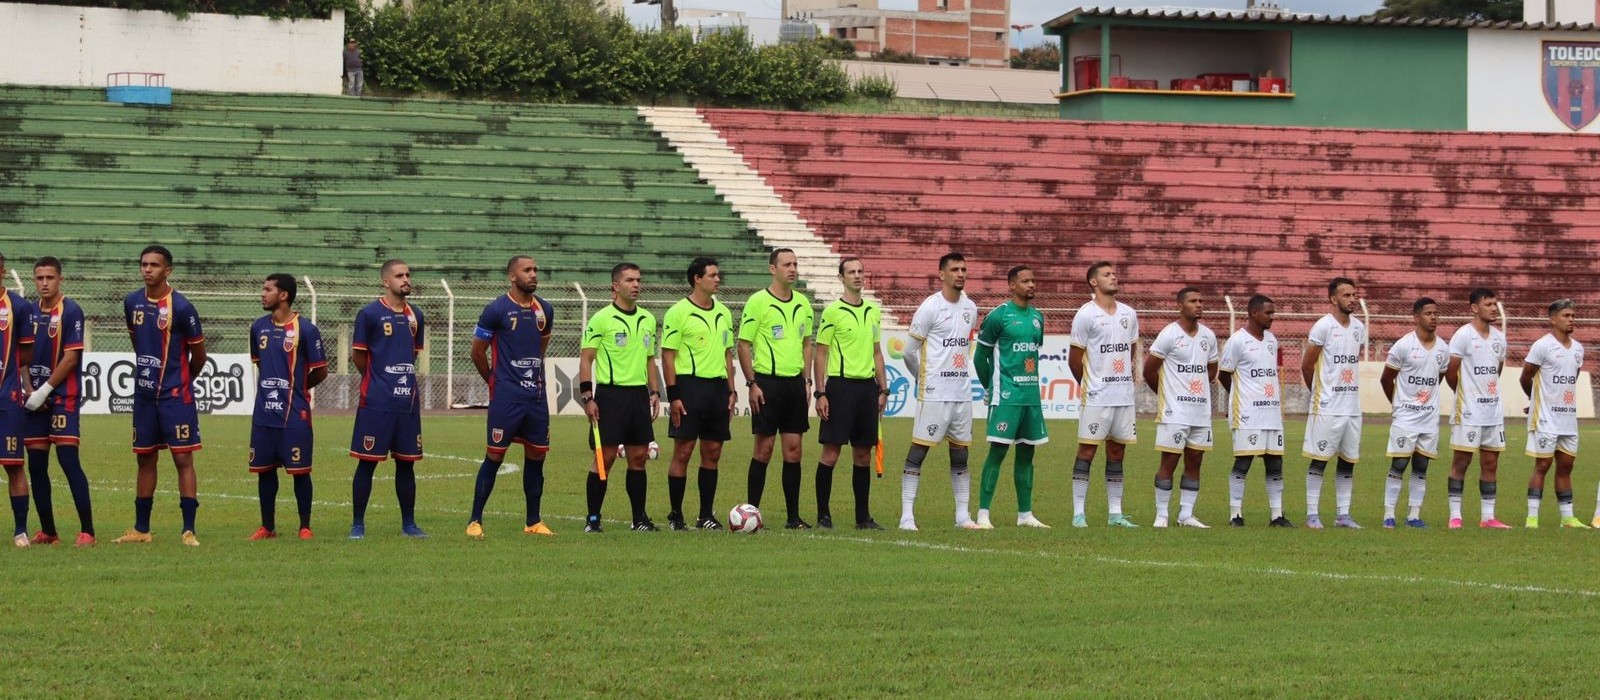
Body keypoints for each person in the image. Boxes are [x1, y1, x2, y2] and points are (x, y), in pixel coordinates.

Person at [115, 245, 205, 546]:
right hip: (143, 397)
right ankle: (141, 529)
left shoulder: (182, 308)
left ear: (168, 270)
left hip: (176, 398)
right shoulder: (131, 302)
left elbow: (199, 355)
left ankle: (188, 529)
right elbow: (137, 341)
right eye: (143, 264)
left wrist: (180, 383)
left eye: (154, 265)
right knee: (145, 458)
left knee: (183, 458)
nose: (147, 269)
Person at [466, 256, 556, 539]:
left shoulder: (545, 310)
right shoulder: (496, 309)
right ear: (512, 276)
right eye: (527, 270)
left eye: (535, 271)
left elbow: (540, 349)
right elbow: (477, 352)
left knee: (536, 457)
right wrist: (495, 381)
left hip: (536, 398)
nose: (533, 275)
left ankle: (533, 521)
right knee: (494, 455)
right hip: (507, 398)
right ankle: (475, 521)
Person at [899, 252, 980, 531]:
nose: (961, 273)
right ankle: (906, 517)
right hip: (934, 393)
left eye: (964, 269)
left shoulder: (971, 308)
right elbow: (908, 352)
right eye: (955, 269)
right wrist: (922, 379)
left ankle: (962, 517)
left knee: (961, 455)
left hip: (962, 393)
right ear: (942, 274)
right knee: (918, 452)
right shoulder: (930, 308)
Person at [579, 263, 662, 532]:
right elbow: (586, 358)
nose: (636, 285)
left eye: (639, 280)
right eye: (630, 280)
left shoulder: (648, 319)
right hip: (611, 395)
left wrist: (654, 392)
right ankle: (593, 519)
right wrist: (587, 397)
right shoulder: (602, 319)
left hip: (638, 396)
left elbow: (650, 359)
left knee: (639, 458)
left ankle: (639, 518)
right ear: (616, 285)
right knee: (606, 458)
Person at [348, 259, 427, 539]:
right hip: (377, 403)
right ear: (385, 281)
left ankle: (409, 524)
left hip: (407, 404)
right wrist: (378, 380)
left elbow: (412, 354)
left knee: (406, 463)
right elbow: (358, 355)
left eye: (408, 274)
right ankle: (358, 524)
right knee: (366, 462)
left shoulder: (416, 315)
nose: (406, 279)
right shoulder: (369, 314)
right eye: (399, 275)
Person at [738, 248, 815, 529]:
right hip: (767, 383)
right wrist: (752, 383)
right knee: (764, 449)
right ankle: (752, 515)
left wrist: (807, 380)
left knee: (794, 451)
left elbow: (808, 343)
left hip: (794, 385)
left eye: (795, 264)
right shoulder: (758, 302)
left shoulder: (804, 303)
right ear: (773, 269)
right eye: (787, 264)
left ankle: (793, 517)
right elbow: (743, 344)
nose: (793, 269)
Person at [247, 273, 328, 541]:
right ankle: (267, 527)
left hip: (295, 414)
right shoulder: (258, 328)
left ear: (283, 295)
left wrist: (298, 388)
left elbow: (320, 371)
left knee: (300, 472)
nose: (262, 293)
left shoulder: (306, 329)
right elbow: (261, 363)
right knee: (265, 471)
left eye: (267, 289)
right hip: (264, 414)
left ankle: (305, 526)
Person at [661, 257, 736, 531]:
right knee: (684, 450)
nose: (718, 279)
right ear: (697, 278)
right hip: (689, 387)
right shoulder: (678, 312)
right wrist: (674, 395)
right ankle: (676, 514)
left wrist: (731, 389)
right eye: (713, 275)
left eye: (718, 275)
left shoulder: (724, 313)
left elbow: (728, 354)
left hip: (717, 389)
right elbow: (667, 356)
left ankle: (705, 515)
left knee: (713, 451)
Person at [23, 256, 93, 547]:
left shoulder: (71, 310)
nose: (44, 283)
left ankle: (87, 531)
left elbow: (71, 357)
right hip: (34, 401)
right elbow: (22, 356)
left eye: (49, 278)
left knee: (68, 461)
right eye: (39, 278)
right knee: (37, 466)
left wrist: (44, 391)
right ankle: (49, 531)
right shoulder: (27, 312)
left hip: (63, 397)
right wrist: (29, 392)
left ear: (60, 279)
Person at [813, 257, 887, 530]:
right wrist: (820, 393)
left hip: (867, 389)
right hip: (840, 388)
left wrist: (883, 388)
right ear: (841, 278)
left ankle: (862, 517)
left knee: (863, 455)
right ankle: (823, 515)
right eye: (851, 272)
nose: (857, 276)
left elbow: (877, 352)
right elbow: (820, 354)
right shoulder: (832, 312)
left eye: (860, 271)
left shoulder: (872, 311)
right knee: (831, 453)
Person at [973, 265, 1048, 529]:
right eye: (1025, 281)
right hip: (1006, 397)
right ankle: (983, 514)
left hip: (1030, 398)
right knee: (997, 452)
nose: (1031, 285)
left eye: (1033, 280)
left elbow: (1031, 355)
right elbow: (980, 357)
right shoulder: (999, 316)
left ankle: (1025, 514)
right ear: (1011, 285)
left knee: (1028, 454)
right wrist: (989, 387)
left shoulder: (1038, 317)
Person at [1069, 261, 1140, 528]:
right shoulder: (1085, 315)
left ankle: (1115, 514)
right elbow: (1075, 360)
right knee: (1087, 451)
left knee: (1117, 453)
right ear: (1093, 282)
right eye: (1106, 274)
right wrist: (1091, 385)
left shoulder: (1129, 314)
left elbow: (1130, 352)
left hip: (1123, 396)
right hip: (1097, 397)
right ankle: (1078, 513)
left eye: (1114, 273)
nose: (1113, 277)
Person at [1143, 286, 1219, 528]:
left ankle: (1186, 515)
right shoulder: (1169, 334)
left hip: (1201, 412)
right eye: (1193, 301)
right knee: (1170, 461)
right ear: (1180, 305)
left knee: (1195, 460)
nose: (1199, 305)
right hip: (1175, 412)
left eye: (1201, 300)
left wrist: (1196, 388)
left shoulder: (1208, 336)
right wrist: (1168, 394)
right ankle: (1162, 514)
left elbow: (1211, 368)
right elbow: (1149, 370)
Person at [1220, 294, 1292, 527]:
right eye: (1268, 313)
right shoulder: (1237, 341)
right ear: (1253, 313)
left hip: (1271, 413)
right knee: (1243, 462)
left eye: (1273, 312)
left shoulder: (1271, 340)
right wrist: (1238, 399)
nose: (1272, 317)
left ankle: (1276, 515)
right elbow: (1224, 374)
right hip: (1248, 414)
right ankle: (1235, 515)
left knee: (1275, 463)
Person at [1301, 277, 1366, 529]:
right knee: (1320, 459)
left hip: (1351, 406)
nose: (1352, 299)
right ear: (1333, 299)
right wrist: (1319, 392)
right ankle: (1312, 514)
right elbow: (1308, 365)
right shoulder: (1322, 327)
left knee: (1348, 460)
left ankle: (1343, 515)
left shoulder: (1359, 327)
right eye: (1347, 295)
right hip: (1328, 406)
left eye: (1354, 295)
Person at [1378, 297, 1449, 529]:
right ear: (1416, 317)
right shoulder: (1403, 345)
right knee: (1399, 464)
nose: (1433, 318)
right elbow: (1386, 379)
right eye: (1428, 313)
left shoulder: (1443, 349)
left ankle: (1413, 515)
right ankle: (1389, 514)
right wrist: (1398, 404)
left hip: (1429, 418)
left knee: (1421, 467)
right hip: (1406, 417)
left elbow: (1436, 379)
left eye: (1435, 313)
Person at [1444, 287, 1510, 529]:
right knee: (1461, 462)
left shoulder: (1499, 338)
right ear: (1474, 307)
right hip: (1468, 412)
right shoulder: (1463, 335)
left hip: (1493, 411)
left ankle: (1487, 517)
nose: (1493, 308)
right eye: (1488, 304)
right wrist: (1466, 395)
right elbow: (1452, 373)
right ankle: (1455, 516)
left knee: (1491, 463)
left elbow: (1496, 370)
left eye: (1495, 304)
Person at [1521, 299, 1587, 529]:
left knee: (1566, 466)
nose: (1571, 320)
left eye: (1573, 316)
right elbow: (1525, 376)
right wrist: (1534, 401)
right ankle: (1532, 518)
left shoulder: (1578, 349)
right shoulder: (1542, 346)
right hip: (1545, 418)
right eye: (1566, 316)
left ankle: (1567, 518)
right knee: (1543, 465)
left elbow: (1572, 378)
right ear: (1553, 319)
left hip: (1568, 419)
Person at [0, 253, 36, 548]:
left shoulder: (19, 307)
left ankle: (20, 530)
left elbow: (26, 353)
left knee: (13, 465)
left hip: (7, 398)